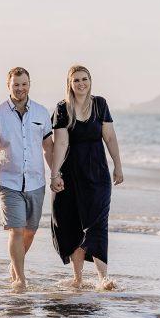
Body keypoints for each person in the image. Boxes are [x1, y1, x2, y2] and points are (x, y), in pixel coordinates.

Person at [49, 65, 123, 290]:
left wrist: (118, 166)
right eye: (76, 80)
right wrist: (55, 174)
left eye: (85, 79)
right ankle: (78, 279)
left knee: (97, 223)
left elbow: (109, 137)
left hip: (97, 174)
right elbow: (60, 143)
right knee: (71, 224)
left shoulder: (100, 105)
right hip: (71, 174)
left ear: (90, 81)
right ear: (69, 84)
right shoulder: (63, 108)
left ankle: (103, 278)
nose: (81, 83)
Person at [0, 67, 53, 291]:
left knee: (30, 231)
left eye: (24, 84)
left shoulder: (41, 113)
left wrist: (56, 174)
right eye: (16, 85)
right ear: (8, 85)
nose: (20, 88)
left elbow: (48, 147)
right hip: (9, 182)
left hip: (36, 182)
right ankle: (20, 278)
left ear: (29, 84)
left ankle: (15, 265)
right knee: (16, 230)